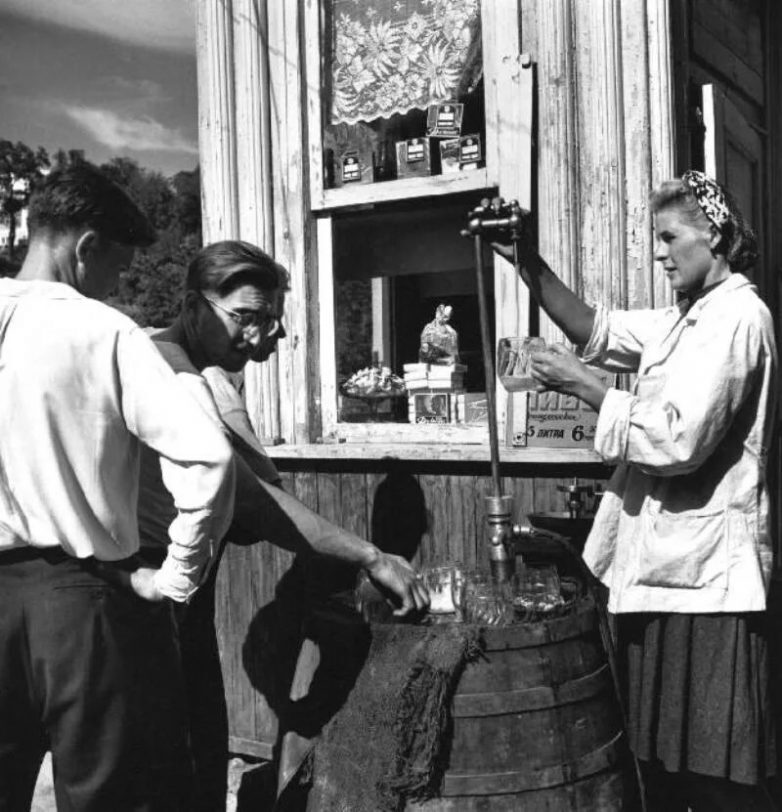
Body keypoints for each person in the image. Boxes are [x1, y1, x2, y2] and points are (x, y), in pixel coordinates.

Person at [494, 171, 777, 810]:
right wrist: (523, 258)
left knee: (715, 775)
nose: (657, 253)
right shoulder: (684, 320)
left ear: (715, 236)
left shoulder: (739, 317)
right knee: (662, 765)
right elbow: (594, 329)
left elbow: (678, 441)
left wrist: (585, 386)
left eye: (669, 238)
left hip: (709, 583)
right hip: (665, 571)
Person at [136, 240, 430, 810]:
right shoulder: (174, 376)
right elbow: (255, 506)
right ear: (193, 305)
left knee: (197, 752)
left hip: (183, 593)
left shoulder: (203, 374)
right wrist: (370, 555)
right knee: (172, 763)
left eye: (268, 319)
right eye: (244, 317)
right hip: (148, 595)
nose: (257, 335)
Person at [0, 165, 236, 811]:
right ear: (86, 247)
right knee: (108, 797)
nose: (117, 284)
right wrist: (176, 578)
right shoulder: (102, 330)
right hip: (79, 604)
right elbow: (209, 457)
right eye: (119, 267)